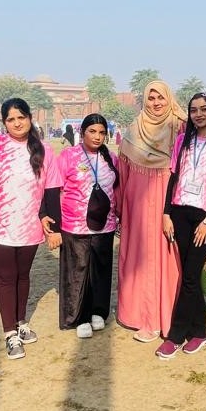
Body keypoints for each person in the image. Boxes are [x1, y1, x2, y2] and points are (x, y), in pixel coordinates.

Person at [0, 98, 60, 360]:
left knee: (23, 276)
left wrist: (53, 225)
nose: (16, 123)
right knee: (6, 277)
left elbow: (51, 190)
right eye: (10, 119)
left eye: (21, 117)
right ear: (4, 123)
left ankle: (21, 322)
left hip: (29, 225)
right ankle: (9, 334)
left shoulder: (44, 150)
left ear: (30, 118)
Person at [156, 93, 206, 359]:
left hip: (205, 216)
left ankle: (176, 335)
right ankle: (200, 331)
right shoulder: (183, 140)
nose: (199, 114)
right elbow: (173, 177)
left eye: (204, 109)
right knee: (188, 275)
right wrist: (166, 213)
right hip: (180, 211)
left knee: (190, 275)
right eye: (193, 110)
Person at [116, 80, 186, 342]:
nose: (156, 103)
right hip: (138, 205)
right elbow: (123, 174)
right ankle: (144, 317)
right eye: (151, 98)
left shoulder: (181, 127)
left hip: (171, 205)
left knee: (169, 258)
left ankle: (169, 317)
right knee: (142, 258)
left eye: (161, 98)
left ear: (169, 98)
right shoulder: (134, 130)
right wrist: (122, 208)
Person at [43, 114, 119, 338]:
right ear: (82, 132)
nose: (97, 137)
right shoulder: (68, 156)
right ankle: (80, 317)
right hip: (75, 225)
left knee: (101, 271)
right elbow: (53, 188)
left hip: (105, 225)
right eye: (92, 132)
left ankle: (98, 311)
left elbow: (117, 189)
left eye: (102, 132)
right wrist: (53, 223)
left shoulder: (111, 158)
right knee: (78, 272)